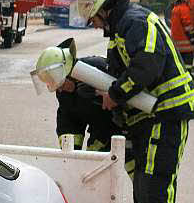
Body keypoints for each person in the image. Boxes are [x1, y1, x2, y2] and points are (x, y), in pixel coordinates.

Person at [76, 0, 194, 203]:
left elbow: (146, 67)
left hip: (167, 114)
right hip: (151, 117)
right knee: (145, 189)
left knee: (156, 188)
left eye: (92, 18)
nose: (93, 25)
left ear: (103, 10)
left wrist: (115, 95)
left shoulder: (134, 22)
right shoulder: (122, 29)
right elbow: (119, 71)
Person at [31, 39, 134, 173]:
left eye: (61, 84)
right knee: (90, 170)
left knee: (137, 172)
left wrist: (96, 147)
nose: (60, 90)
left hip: (126, 129)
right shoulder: (63, 92)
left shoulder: (97, 72)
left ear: (69, 74)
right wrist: (70, 152)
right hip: (101, 129)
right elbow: (68, 120)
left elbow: (112, 111)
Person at [170, 0, 194, 75]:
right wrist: (192, 37)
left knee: (180, 62)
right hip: (186, 42)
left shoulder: (174, 9)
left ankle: (182, 75)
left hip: (177, 42)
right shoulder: (184, 8)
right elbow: (187, 25)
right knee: (188, 61)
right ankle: (188, 75)